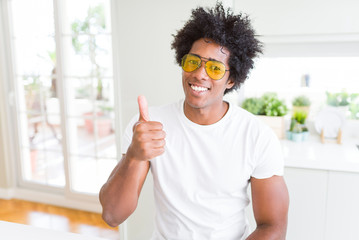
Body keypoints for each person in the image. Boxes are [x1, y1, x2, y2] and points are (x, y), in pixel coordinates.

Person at [99, 3, 289, 240]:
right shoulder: (149, 126)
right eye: (192, 62)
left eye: (215, 68)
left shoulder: (257, 136)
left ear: (232, 80)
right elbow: (112, 215)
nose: (200, 73)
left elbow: (273, 227)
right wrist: (135, 155)